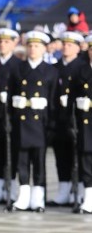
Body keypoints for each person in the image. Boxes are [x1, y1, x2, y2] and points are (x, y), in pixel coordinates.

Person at [9, 31, 58, 212]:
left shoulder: (50, 71)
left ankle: (38, 197)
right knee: (22, 161)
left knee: (39, 161)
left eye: (37, 46)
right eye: (30, 45)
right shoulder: (18, 69)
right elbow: (11, 95)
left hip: (40, 123)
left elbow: (53, 100)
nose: (33, 49)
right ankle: (23, 196)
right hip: (22, 121)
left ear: (44, 48)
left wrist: (51, 123)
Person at [0, 28, 23, 203]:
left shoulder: (18, 65)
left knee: (13, 152)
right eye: (0, 41)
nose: (2, 44)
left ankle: (12, 185)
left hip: (13, 115)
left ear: (14, 43)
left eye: (7, 42)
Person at [50, 31, 85, 206]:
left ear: (78, 48)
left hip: (77, 119)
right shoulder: (55, 67)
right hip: (59, 118)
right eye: (64, 44)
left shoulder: (82, 67)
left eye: (70, 45)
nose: (65, 47)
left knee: (78, 155)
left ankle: (77, 188)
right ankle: (63, 188)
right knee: (61, 154)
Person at [72, 34, 92, 213]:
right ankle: (89, 195)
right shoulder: (81, 70)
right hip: (86, 123)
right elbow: (73, 95)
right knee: (86, 158)